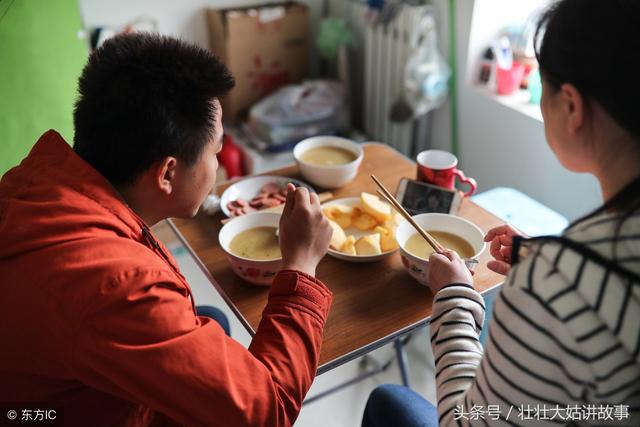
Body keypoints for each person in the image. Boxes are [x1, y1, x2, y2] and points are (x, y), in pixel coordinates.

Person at [0, 33, 333, 426]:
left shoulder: (35, 179)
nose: (218, 167)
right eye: (215, 151)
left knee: (215, 323)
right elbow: (267, 411)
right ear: (168, 173)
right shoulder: (121, 286)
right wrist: (301, 266)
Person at [363, 0, 640, 425]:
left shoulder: (553, 290)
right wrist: (548, 257)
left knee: (388, 402)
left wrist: (453, 298)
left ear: (571, 106)